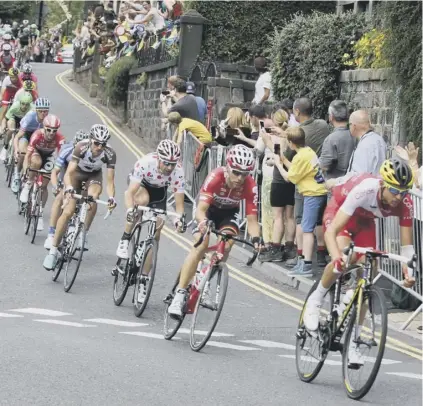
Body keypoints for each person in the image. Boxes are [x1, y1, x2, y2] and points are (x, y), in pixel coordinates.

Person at [303, 158, 416, 364]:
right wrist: (336, 256)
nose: (399, 197)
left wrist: (408, 271)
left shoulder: (405, 203)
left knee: (369, 272)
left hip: (365, 221)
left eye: (404, 192)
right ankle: (315, 300)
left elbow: (407, 247)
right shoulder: (365, 189)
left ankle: (353, 341)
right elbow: (331, 233)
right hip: (340, 211)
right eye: (394, 190)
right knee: (345, 258)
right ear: (383, 184)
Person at [168, 144, 263, 318]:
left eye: (245, 173)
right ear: (227, 167)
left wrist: (257, 240)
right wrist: (203, 222)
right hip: (207, 209)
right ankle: (180, 294)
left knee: (227, 245)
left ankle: (205, 277)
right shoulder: (215, 177)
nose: (240, 177)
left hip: (228, 214)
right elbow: (200, 210)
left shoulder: (250, 185)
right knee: (201, 244)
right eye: (236, 172)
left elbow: (252, 219)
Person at [115, 140, 186, 301]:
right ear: (158, 159)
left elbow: (179, 205)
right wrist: (129, 210)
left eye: (172, 164)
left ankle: (143, 280)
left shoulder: (178, 172)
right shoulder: (146, 163)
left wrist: (178, 220)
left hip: (159, 192)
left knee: (157, 230)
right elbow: (129, 193)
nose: (169, 167)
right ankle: (125, 239)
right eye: (166, 163)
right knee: (141, 202)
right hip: (141, 185)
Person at [43, 124, 117, 271]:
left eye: (103, 144)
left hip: (94, 176)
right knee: (68, 211)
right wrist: (69, 188)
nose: (99, 147)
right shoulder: (81, 148)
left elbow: (110, 181)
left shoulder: (110, 153)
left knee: (93, 198)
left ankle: (83, 232)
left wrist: (111, 198)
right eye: (96, 143)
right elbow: (69, 172)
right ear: (91, 140)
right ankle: (53, 250)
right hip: (76, 174)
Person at [273, 127, 327, 276]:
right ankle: (303, 263)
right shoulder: (308, 151)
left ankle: (307, 265)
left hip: (312, 194)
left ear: (290, 143)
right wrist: (283, 159)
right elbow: (297, 170)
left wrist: (278, 164)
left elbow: (289, 178)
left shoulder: (300, 157)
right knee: (307, 227)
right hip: (318, 192)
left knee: (307, 230)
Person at [44, 130, 90, 250]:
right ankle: (51, 233)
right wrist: (55, 186)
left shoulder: (90, 155)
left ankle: (81, 231)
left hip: (81, 178)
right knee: (60, 197)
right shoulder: (67, 150)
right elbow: (55, 172)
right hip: (66, 177)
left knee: (90, 199)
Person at [19, 115, 65, 231]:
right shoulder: (37, 135)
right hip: (37, 153)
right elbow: (27, 156)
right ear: (44, 128)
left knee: (44, 186)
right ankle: (29, 184)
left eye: (54, 131)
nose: (51, 133)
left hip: (49, 156)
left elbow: (61, 160)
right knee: (36, 161)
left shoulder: (60, 138)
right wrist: (25, 171)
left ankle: (39, 213)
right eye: (48, 130)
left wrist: (59, 179)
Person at [12, 97, 50, 193]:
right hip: (26, 135)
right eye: (40, 111)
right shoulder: (30, 117)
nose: (43, 114)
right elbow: (17, 136)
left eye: (45, 111)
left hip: (37, 139)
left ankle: (30, 177)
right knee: (22, 154)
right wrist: (16, 149)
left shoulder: (49, 120)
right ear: (36, 110)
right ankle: (16, 175)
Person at [319, 100, 354, 181]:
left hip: (336, 185)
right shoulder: (356, 135)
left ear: (331, 117)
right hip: (352, 183)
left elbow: (324, 165)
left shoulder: (331, 139)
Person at [0, 91, 33, 162]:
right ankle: (5, 147)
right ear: (20, 102)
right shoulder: (15, 106)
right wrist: (3, 127)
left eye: (27, 104)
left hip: (24, 121)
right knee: (11, 128)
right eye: (23, 104)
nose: (24, 106)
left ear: (30, 104)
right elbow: (5, 119)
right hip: (14, 118)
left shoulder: (32, 109)